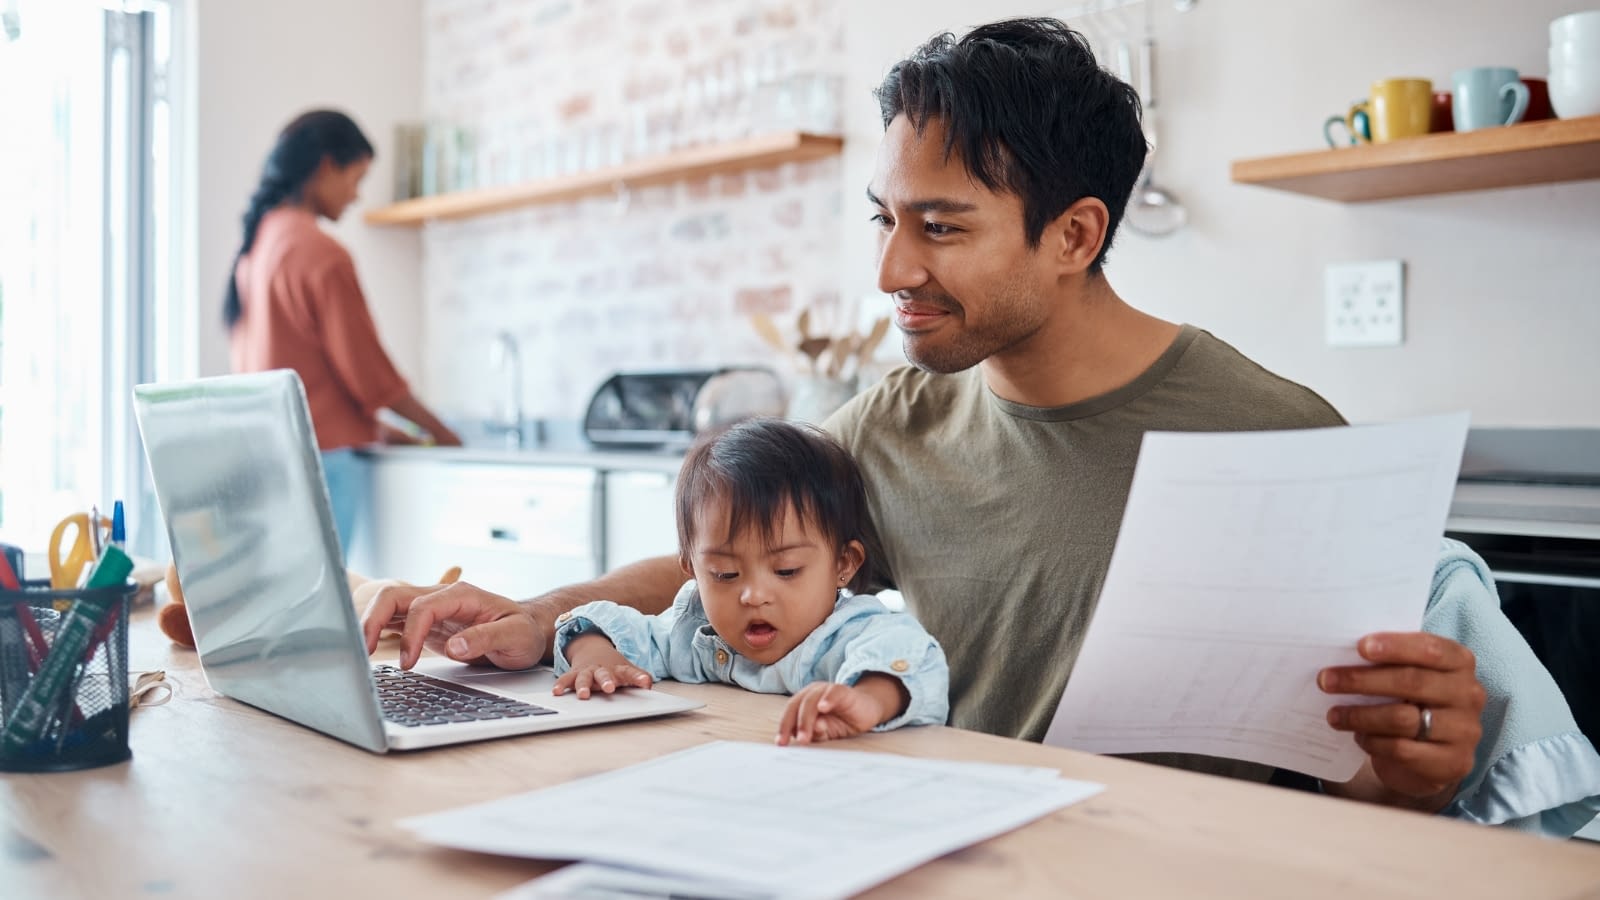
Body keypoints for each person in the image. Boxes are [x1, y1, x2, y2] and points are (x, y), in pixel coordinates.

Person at [360, 20, 1600, 835]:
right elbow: (731, 554)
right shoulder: (894, 420)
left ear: (1074, 236)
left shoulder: (1277, 439)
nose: (893, 264)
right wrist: (536, 614)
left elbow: (1371, 794)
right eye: (882, 219)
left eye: (941, 227)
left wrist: (1417, 772)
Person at [549, 417, 947, 744]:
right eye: (725, 574)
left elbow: (911, 656)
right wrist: (595, 657)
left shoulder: (849, 633)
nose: (753, 595)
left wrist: (866, 701)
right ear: (692, 569)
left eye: (786, 570)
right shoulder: (696, 632)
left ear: (844, 563)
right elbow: (604, 625)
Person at [227, 110, 461, 557]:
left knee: (294, 609)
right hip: (324, 464)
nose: (356, 196)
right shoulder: (320, 253)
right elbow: (370, 376)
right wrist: (443, 434)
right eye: (357, 178)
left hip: (270, 456)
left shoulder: (257, 248)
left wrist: (375, 429)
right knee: (333, 607)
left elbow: (300, 374)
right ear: (326, 166)